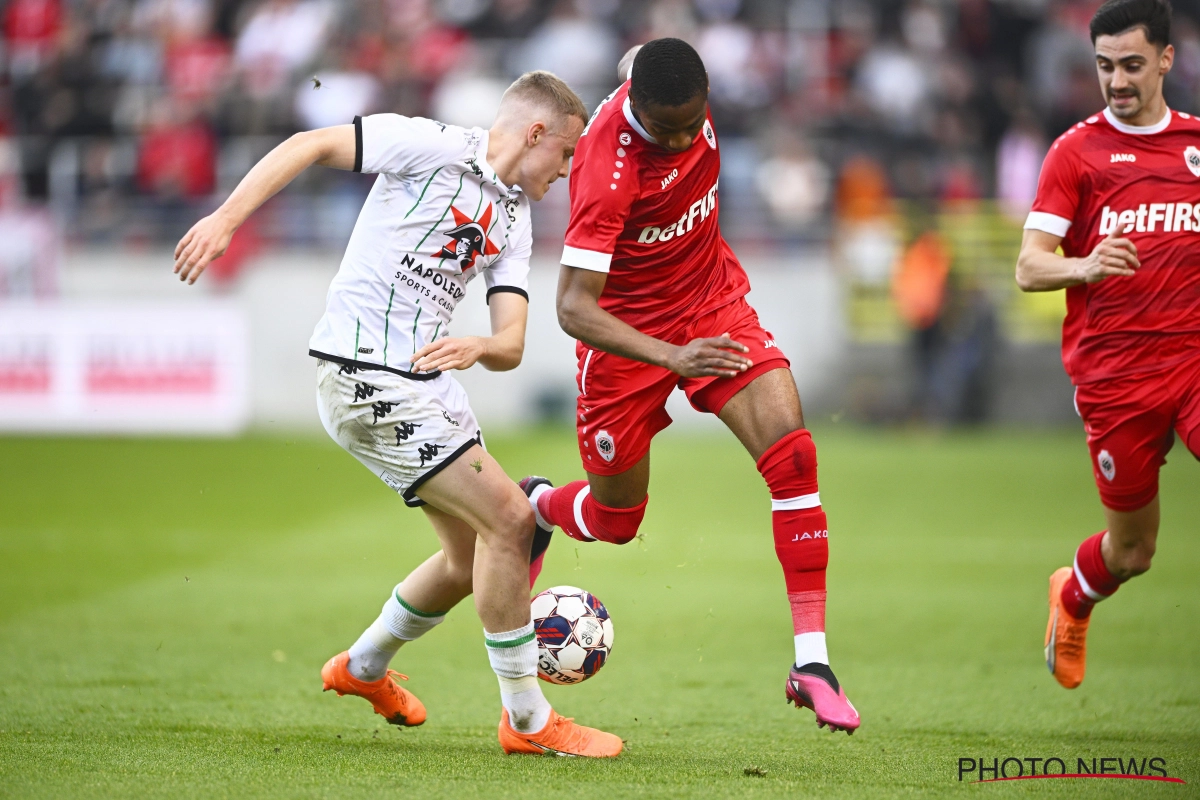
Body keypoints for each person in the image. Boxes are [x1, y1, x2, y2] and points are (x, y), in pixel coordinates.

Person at [171, 71, 623, 757]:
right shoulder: (428, 145)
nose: (568, 170)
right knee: (511, 520)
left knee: (470, 556)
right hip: (361, 371)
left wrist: (482, 345)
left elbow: (512, 343)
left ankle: (362, 668)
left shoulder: (515, 219)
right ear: (536, 133)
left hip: (426, 384)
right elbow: (308, 144)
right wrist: (226, 218)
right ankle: (528, 721)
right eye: (565, 154)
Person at [522, 38, 860, 734]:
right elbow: (572, 309)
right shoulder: (608, 173)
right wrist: (673, 357)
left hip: (712, 304)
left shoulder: (668, 79)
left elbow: (637, 56)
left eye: (691, 123)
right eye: (665, 128)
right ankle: (539, 510)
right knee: (617, 520)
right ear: (636, 108)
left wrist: (690, 344)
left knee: (793, 457)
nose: (681, 139)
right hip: (628, 339)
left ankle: (813, 663)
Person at [1016, 0, 1200, 689]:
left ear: (1166, 60)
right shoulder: (1077, 152)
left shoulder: (1195, 145)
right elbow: (1029, 265)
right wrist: (1084, 264)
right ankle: (1074, 595)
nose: (1117, 81)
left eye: (1130, 65)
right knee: (1134, 551)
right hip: (1116, 378)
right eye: (1104, 67)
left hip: (1193, 361)